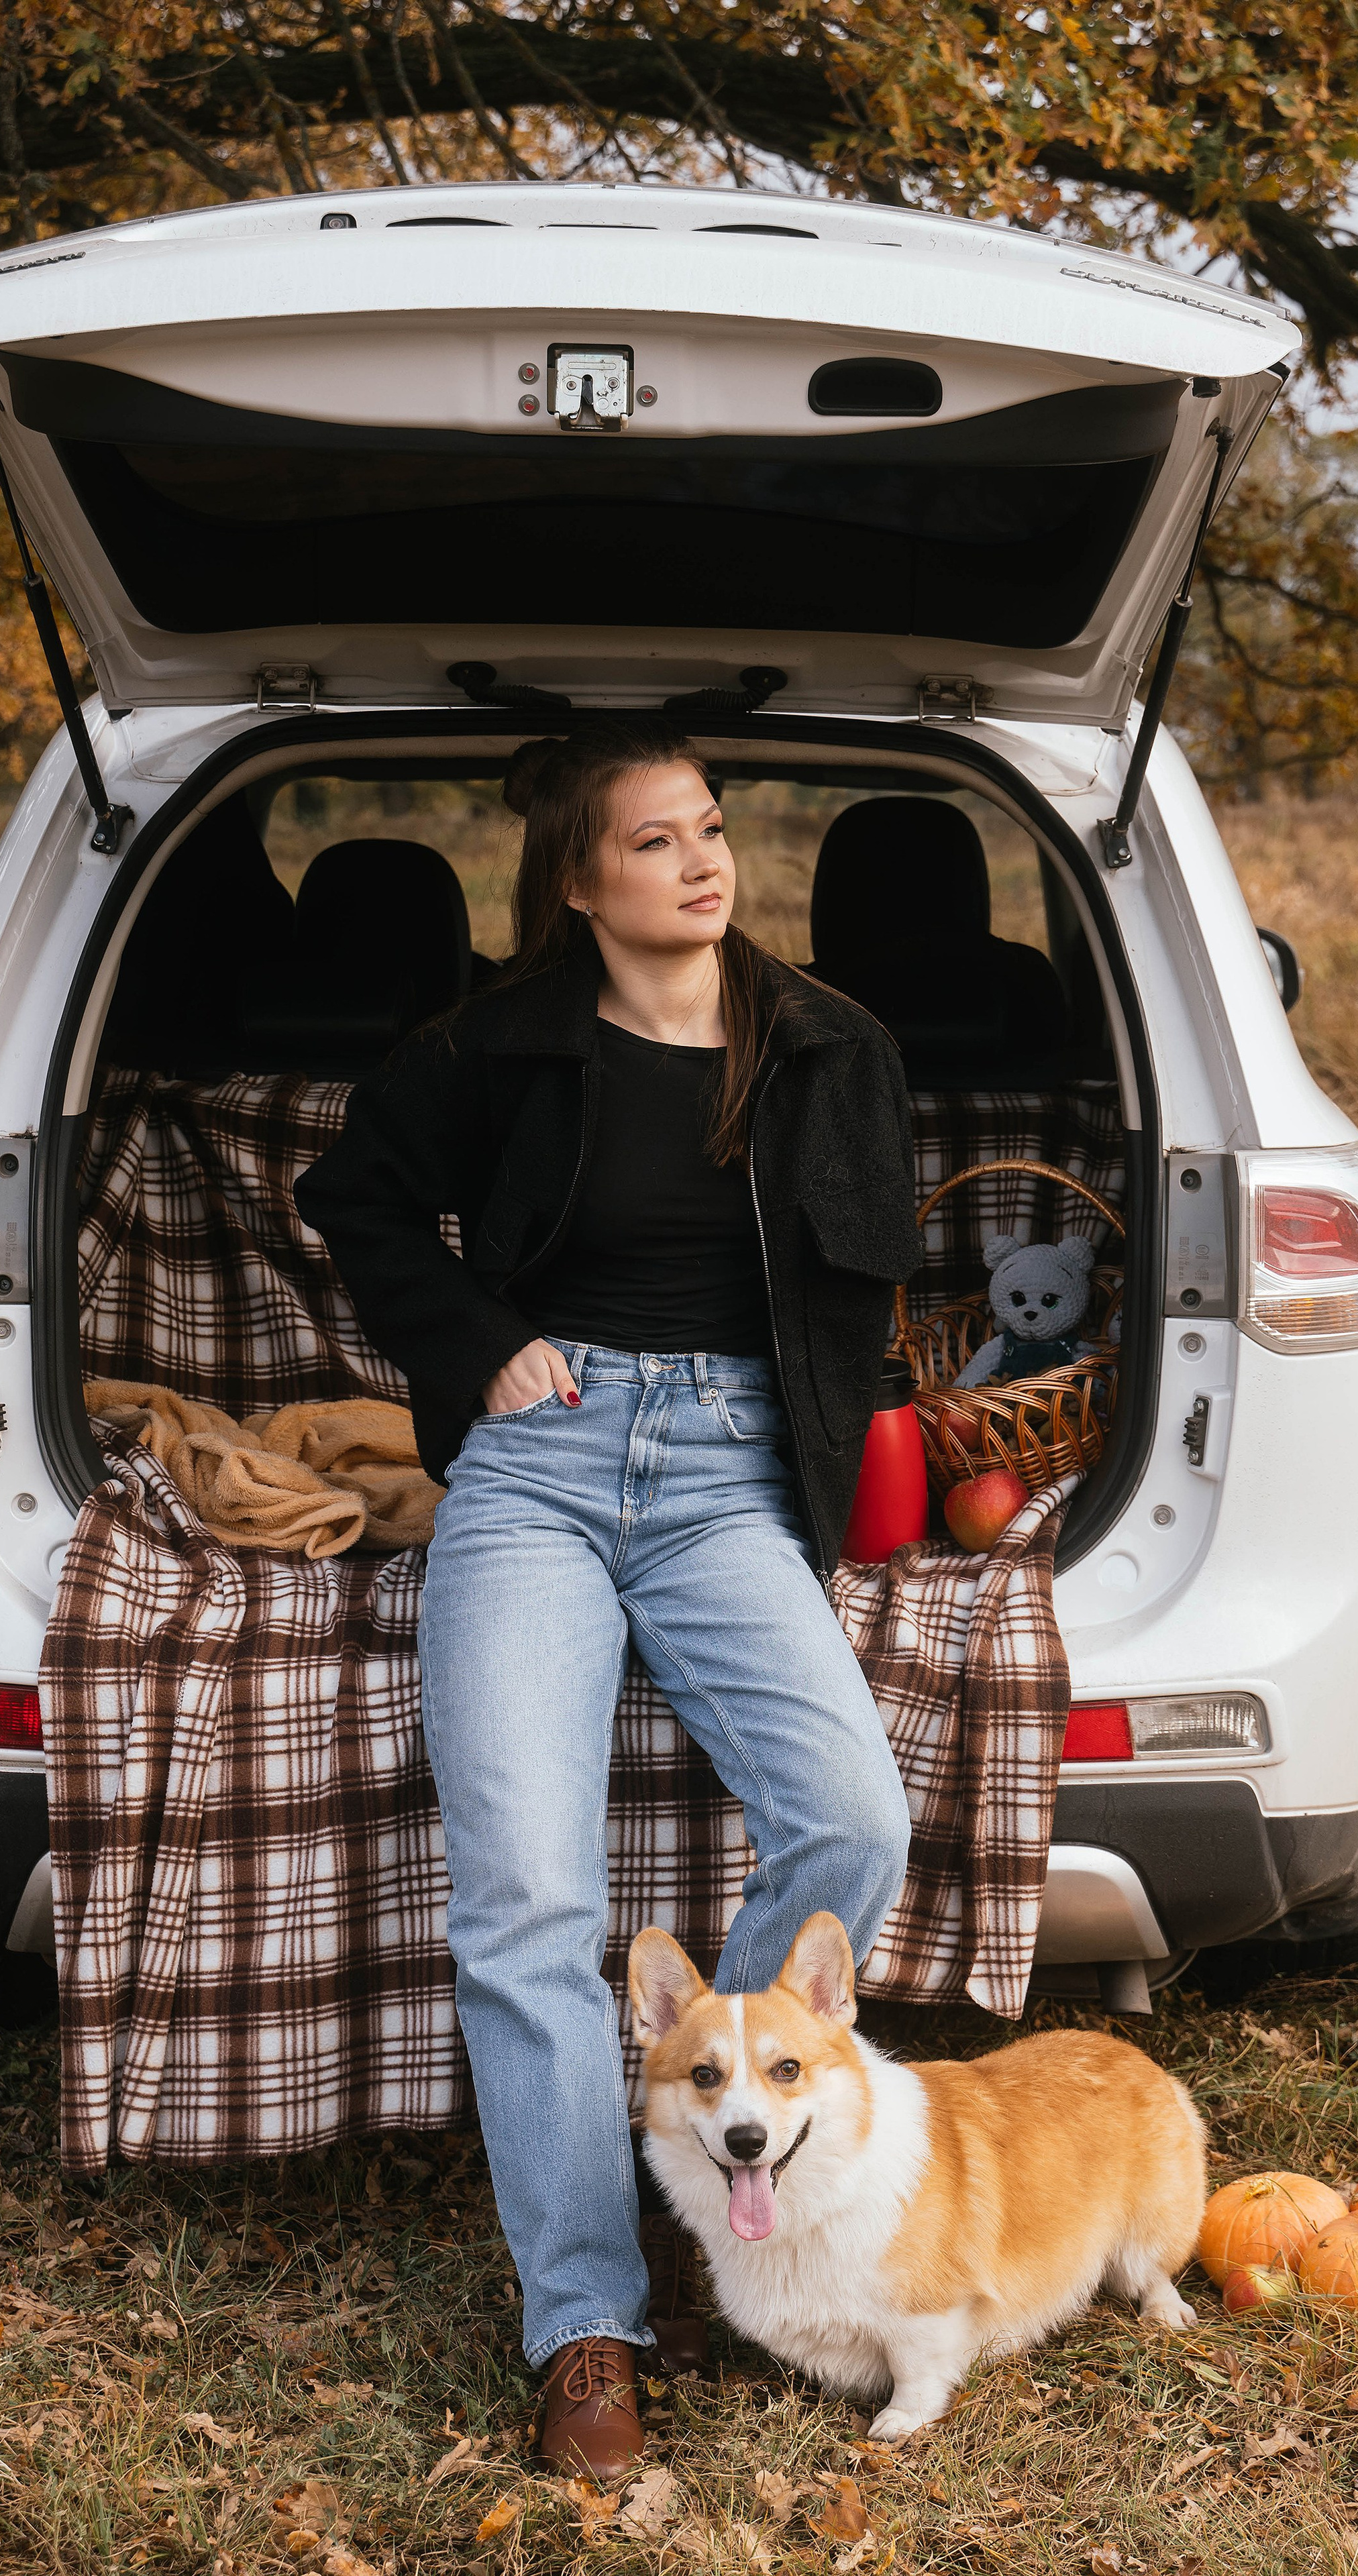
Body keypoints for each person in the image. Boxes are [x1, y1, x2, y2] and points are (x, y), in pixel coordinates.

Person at [296, 719, 920, 2476]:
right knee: (526, 1903)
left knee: (851, 1813)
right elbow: (353, 1200)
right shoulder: (487, 1049)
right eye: (655, 843)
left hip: (728, 1473)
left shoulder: (823, 1043)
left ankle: (712, 2111)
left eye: (710, 830)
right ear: (580, 881)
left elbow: (867, 1284)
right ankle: (586, 2323)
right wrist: (475, 1348)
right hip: (542, 1474)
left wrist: (829, 1445)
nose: (703, 864)